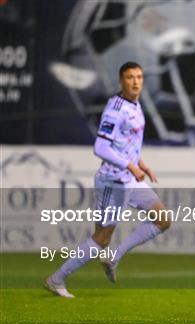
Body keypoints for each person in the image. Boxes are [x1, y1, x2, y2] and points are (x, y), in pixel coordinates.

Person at [45, 61, 171, 298]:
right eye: (130, 77)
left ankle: (114, 257)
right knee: (101, 239)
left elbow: (125, 143)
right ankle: (56, 279)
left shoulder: (134, 104)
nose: (135, 82)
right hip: (112, 181)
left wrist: (141, 164)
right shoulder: (115, 109)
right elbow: (100, 147)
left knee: (162, 219)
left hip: (129, 178)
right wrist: (131, 165)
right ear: (121, 81)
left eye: (139, 77)